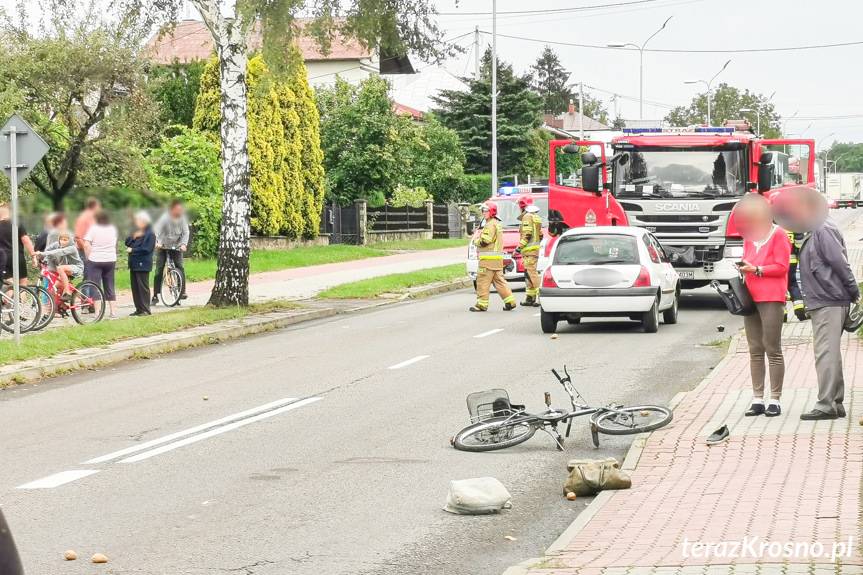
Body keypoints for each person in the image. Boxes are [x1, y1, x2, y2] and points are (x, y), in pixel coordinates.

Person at [787, 190, 860, 420]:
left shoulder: (822, 230)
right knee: (830, 352)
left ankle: (827, 404)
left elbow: (840, 264)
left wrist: (854, 292)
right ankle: (835, 402)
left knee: (825, 353)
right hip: (827, 298)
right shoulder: (817, 228)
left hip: (828, 299)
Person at [734, 194, 791, 417]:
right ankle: (758, 398)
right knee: (755, 349)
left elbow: (782, 266)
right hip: (750, 296)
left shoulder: (779, 234)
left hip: (772, 296)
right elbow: (748, 258)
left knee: (772, 348)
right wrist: (743, 267)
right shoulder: (749, 236)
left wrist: (757, 270)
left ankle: (775, 399)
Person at [470, 202, 516, 312]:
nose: (483, 213)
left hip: (487, 261)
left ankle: (481, 304)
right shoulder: (497, 223)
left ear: (492, 212)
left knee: (482, 281)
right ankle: (510, 302)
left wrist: (476, 241)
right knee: (500, 282)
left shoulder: (490, 224)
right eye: (483, 211)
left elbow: (485, 240)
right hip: (497, 261)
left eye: (486, 210)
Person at [153, 199, 190, 305]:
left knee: (180, 266)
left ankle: (181, 292)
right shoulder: (165, 218)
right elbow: (157, 230)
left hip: (177, 247)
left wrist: (183, 244)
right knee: (159, 269)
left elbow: (186, 232)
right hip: (163, 246)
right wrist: (158, 242)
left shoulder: (182, 219)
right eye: (177, 209)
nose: (179, 211)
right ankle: (156, 294)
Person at [84, 211, 119, 319]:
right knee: (110, 284)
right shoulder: (113, 229)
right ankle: (113, 312)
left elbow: (86, 244)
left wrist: (88, 257)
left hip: (95, 260)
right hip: (110, 260)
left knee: (95, 285)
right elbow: (115, 243)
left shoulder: (93, 229)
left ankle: (98, 312)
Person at [35, 231, 84, 301]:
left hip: (76, 267)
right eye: (61, 239)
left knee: (60, 268)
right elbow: (49, 249)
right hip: (65, 269)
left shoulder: (72, 248)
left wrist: (42, 253)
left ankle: (67, 292)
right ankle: (61, 306)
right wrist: (45, 259)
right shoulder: (57, 245)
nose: (62, 241)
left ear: (70, 241)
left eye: (65, 240)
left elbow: (58, 252)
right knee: (53, 290)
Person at [125, 211, 156, 317]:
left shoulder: (150, 234)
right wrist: (133, 237)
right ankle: (138, 309)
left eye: (138, 220)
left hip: (143, 263)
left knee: (143, 287)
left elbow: (147, 249)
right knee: (135, 287)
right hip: (133, 263)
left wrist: (132, 250)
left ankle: (146, 309)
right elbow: (127, 242)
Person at [515, 195, 542, 307]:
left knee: (532, 274)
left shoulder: (527, 217)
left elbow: (527, 234)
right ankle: (530, 297)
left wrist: (518, 248)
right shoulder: (536, 216)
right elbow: (540, 234)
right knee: (529, 274)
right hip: (534, 250)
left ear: (522, 206)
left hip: (529, 251)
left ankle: (540, 297)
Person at [0, 203, 36, 286]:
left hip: (3, 259)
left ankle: (10, 299)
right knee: (23, 283)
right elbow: (26, 241)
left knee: (9, 284)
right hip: (18, 257)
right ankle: (21, 299)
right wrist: (33, 256)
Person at [75, 198, 101, 273]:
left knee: (92, 274)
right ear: (94, 206)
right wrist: (86, 249)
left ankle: (91, 284)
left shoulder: (93, 217)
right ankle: (87, 285)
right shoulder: (83, 218)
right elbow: (78, 237)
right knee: (89, 274)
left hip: (91, 249)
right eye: (99, 206)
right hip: (85, 250)